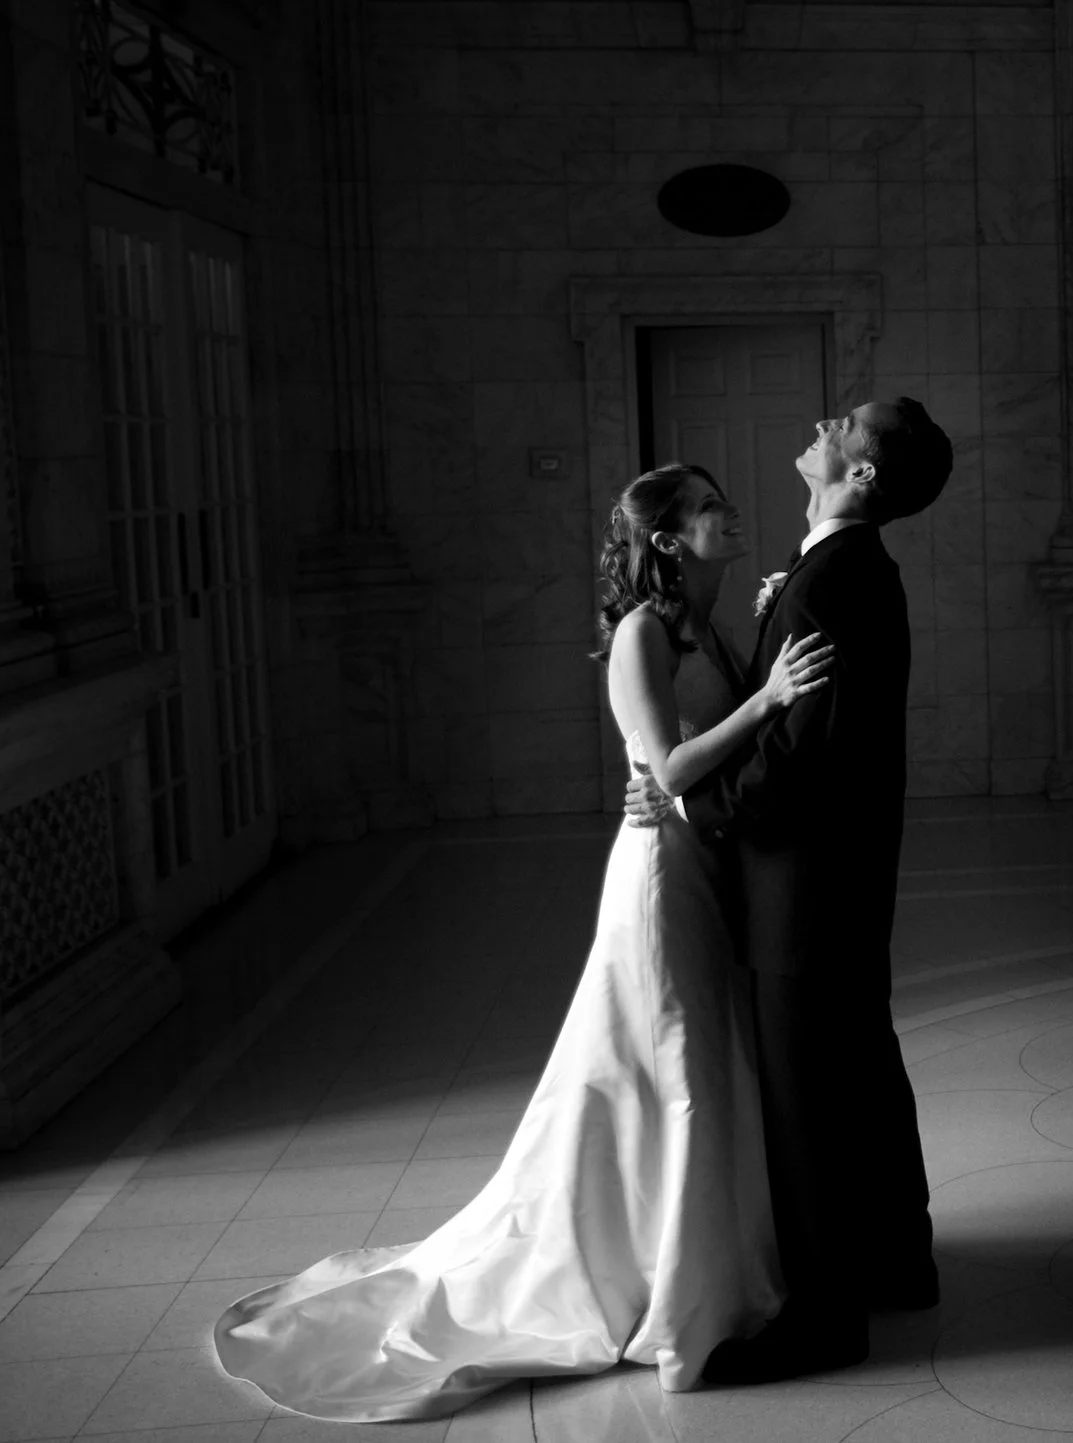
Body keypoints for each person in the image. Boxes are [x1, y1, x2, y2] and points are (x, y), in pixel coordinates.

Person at [211, 465, 831, 1421]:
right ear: (667, 539)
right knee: (672, 1062)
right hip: (661, 875)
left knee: (701, 1061)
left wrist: (756, 663)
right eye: (709, 507)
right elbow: (665, 769)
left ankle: (698, 1255)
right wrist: (768, 698)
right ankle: (663, 1282)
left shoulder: (710, 623)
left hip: (706, 868)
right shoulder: (641, 633)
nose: (729, 512)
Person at [626, 398, 953, 1384]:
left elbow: (797, 756)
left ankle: (823, 1319)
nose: (820, 419)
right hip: (841, 881)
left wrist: (705, 814)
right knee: (864, 1063)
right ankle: (900, 1259)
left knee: (808, 1098)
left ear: (857, 473)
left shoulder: (825, 582)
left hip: (802, 889)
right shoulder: (839, 571)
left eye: (843, 422)